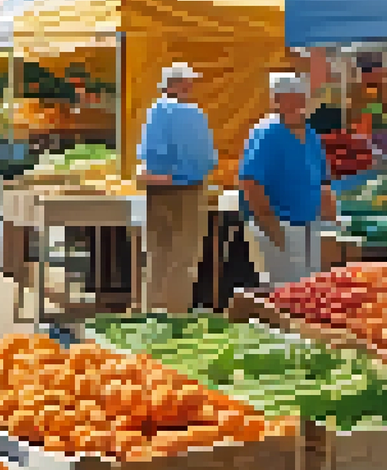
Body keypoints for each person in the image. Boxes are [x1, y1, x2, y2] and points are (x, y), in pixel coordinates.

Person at [239, 73, 336, 288]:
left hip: (310, 226)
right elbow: (250, 183)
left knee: (309, 291)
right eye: (290, 97)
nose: (298, 102)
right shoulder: (267, 133)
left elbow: (323, 180)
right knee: (283, 292)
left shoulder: (309, 133)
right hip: (280, 225)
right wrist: (272, 228)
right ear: (277, 101)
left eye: (300, 96)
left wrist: (330, 222)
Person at [136, 63, 218, 313]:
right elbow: (207, 159)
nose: (190, 86)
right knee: (183, 258)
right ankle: (175, 316)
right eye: (186, 82)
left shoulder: (154, 111)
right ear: (174, 85)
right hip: (188, 190)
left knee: (157, 256)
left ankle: (151, 311)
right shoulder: (193, 114)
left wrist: (154, 176)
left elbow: (147, 156)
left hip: (157, 190)